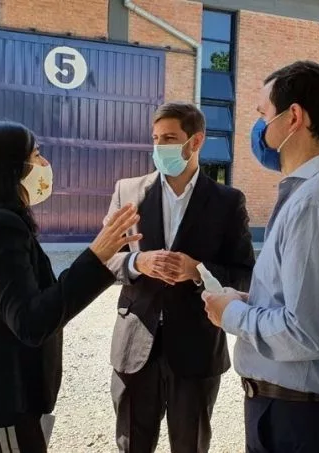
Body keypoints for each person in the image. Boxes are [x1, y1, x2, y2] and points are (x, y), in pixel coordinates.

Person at [202, 61, 319, 453]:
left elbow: (310, 333)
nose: (258, 128)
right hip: (298, 413)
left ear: (293, 117)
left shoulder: (318, 202)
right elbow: (305, 303)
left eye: (263, 114)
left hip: (299, 421)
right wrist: (250, 301)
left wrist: (231, 315)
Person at [0, 121, 141, 453]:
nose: (45, 164)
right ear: (8, 167)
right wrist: (95, 259)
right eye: (36, 155)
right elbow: (31, 322)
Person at [103, 102, 255, 453]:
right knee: (131, 445)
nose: (159, 146)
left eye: (169, 138)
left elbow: (245, 274)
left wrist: (197, 270)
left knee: (190, 445)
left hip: (196, 348)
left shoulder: (227, 202)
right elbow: (104, 257)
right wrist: (137, 262)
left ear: (195, 141)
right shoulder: (128, 192)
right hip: (135, 346)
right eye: (155, 138)